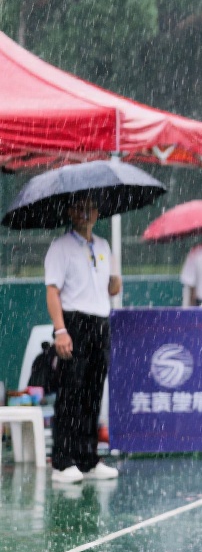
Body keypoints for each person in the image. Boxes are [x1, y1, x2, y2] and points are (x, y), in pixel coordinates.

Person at [44, 194, 121, 484]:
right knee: (70, 394)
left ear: (97, 213)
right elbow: (53, 291)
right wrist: (60, 330)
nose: (85, 213)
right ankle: (63, 461)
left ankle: (88, 458)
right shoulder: (60, 247)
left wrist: (115, 275)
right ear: (70, 212)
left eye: (90, 208)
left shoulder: (103, 245)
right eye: (78, 208)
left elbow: (112, 289)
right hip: (74, 322)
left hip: (100, 322)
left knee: (93, 393)